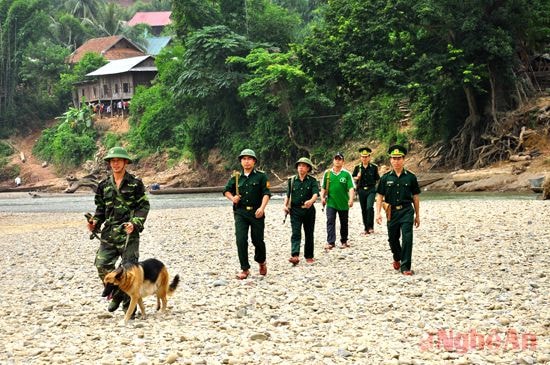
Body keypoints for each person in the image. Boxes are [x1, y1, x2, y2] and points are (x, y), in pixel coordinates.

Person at [87, 146, 150, 314]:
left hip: (128, 233)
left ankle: (128, 307)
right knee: (102, 265)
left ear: (125, 162)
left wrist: (135, 223)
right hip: (109, 233)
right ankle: (118, 293)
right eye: (112, 161)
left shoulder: (135, 183)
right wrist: (94, 223)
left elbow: (143, 206)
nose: (115, 164)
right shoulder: (103, 185)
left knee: (129, 270)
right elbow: (100, 210)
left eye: (118, 160)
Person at [223, 149, 271, 279]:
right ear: (240, 161)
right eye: (244, 159)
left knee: (257, 240)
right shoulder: (236, 177)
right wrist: (233, 198)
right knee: (240, 239)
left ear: (254, 161)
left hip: (256, 212)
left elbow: (266, 194)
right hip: (241, 212)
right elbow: (226, 191)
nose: (246, 161)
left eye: (249, 159)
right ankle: (245, 268)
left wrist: (262, 208)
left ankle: (261, 261)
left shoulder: (261, 176)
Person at [375, 145, 420, 275]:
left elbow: (415, 197)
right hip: (392, 212)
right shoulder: (385, 178)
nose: (396, 161)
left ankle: (405, 266)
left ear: (403, 159)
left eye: (399, 158)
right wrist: (378, 213)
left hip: (406, 211)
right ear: (390, 160)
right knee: (392, 239)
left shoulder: (411, 177)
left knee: (407, 238)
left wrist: (417, 215)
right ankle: (397, 257)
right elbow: (379, 197)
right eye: (394, 158)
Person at [283, 157, 319, 265]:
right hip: (295, 210)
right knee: (296, 232)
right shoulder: (292, 180)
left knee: (309, 233)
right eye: (299, 166)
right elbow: (288, 195)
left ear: (308, 168)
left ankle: (309, 256)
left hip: (309, 211)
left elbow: (315, 194)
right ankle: (295, 255)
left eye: (303, 166)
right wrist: (285, 206)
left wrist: (311, 201)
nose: (301, 168)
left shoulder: (312, 181)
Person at [321, 152, 355, 250]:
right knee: (330, 221)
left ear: (343, 161)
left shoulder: (346, 174)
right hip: (331, 202)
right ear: (333, 160)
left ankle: (344, 241)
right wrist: (322, 198)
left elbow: (351, 188)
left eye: (339, 159)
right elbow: (323, 187)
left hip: (344, 203)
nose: (337, 161)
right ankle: (331, 242)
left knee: (344, 222)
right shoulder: (327, 173)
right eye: (336, 159)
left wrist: (351, 199)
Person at [352, 147, 380, 235]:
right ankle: (366, 228)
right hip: (361, 190)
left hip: (371, 189)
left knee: (369, 207)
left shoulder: (374, 167)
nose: (364, 158)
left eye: (366, 156)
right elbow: (352, 178)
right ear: (360, 157)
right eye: (363, 157)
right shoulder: (357, 167)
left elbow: (377, 179)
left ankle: (371, 227)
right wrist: (357, 177)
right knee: (363, 209)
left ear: (369, 157)